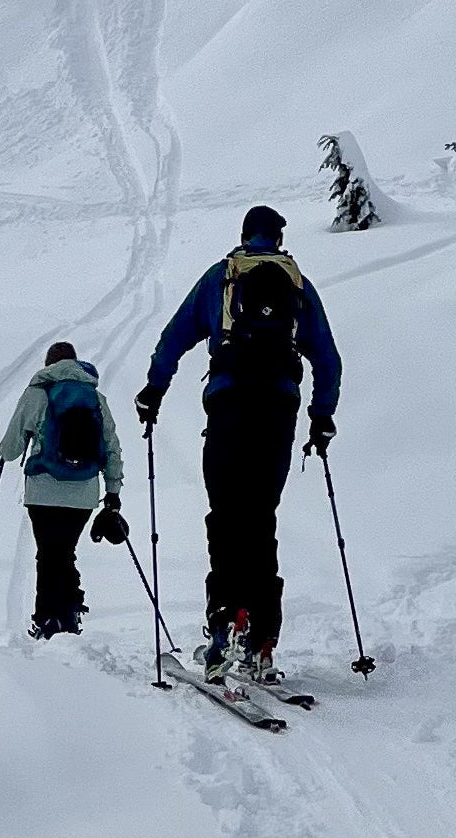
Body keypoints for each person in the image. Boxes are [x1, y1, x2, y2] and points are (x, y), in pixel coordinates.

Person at [137, 203, 341, 684]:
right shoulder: (298, 286)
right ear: (280, 237)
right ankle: (263, 638)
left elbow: (176, 335)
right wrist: (322, 417)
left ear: (246, 234)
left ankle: (226, 622)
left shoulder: (221, 278)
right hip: (279, 409)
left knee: (226, 515)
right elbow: (328, 359)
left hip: (229, 407)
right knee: (261, 517)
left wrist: (154, 389)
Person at [0, 340, 126, 640]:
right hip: (82, 493)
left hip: (43, 491)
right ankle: (68, 610)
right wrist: (113, 490)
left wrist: (15, 444)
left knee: (49, 554)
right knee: (63, 551)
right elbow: (112, 447)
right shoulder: (94, 397)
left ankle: (47, 618)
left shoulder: (36, 393)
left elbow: (10, 449)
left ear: (48, 365)